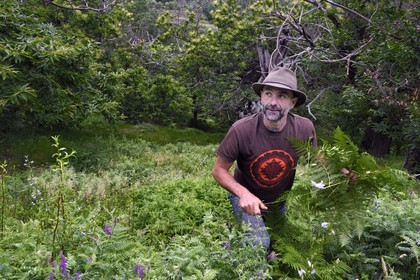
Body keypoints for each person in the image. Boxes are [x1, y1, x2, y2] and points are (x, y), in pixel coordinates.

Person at [212, 67, 317, 250]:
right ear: (261, 96)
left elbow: (316, 160)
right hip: (244, 197)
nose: (273, 102)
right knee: (259, 244)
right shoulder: (242, 129)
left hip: (278, 201)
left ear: (293, 102)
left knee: (281, 245)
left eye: (282, 96)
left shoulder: (304, 128)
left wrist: (340, 168)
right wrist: (243, 194)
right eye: (268, 94)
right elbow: (219, 170)